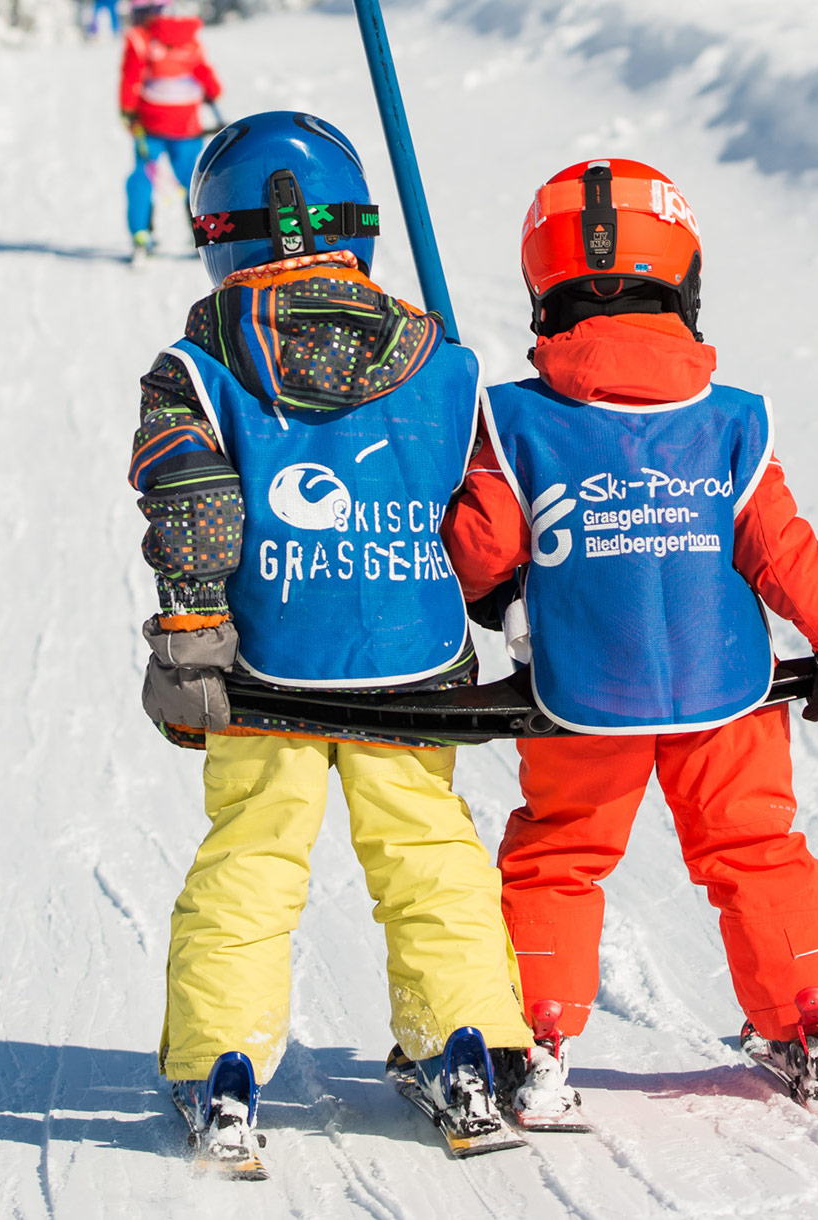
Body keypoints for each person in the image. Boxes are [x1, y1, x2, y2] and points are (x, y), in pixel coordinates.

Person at [128, 111, 534, 1173]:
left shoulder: (197, 365)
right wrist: (502, 598)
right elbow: (484, 518)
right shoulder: (441, 361)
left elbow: (193, 499)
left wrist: (191, 632)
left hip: (269, 675)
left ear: (217, 234)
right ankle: (461, 1045)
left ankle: (222, 1067)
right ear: (357, 226)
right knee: (430, 855)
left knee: (253, 858)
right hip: (414, 662)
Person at [441, 157, 818, 1123]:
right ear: (684, 278)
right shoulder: (730, 420)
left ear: (542, 288)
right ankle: (810, 1032)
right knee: (755, 848)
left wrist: (487, 586)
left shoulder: (513, 419)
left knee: (560, 855)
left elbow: (479, 549)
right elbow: (777, 544)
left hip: (579, 695)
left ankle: (539, 1041)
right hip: (727, 688)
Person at [118, 1, 221, 262]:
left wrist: (127, 111)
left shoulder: (140, 38)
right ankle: (203, 236)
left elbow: (131, 77)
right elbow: (206, 78)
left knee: (143, 176)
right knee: (194, 181)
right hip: (187, 123)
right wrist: (211, 91)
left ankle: (141, 235)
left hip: (150, 123)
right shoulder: (188, 37)